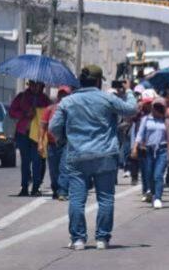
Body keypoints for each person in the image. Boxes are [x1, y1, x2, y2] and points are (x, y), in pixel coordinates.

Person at [49, 65, 138, 250]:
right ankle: (102, 239)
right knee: (105, 198)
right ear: (98, 81)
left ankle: (78, 239)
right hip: (105, 155)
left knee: (77, 199)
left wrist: (63, 139)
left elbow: (53, 127)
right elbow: (131, 109)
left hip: (77, 155)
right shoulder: (107, 98)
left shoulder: (68, 101)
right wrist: (128, 90)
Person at [9, 80, 51, 197]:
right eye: (33, 84)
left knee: (37, 161)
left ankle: (36, 187)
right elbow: (12, 112)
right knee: (25, 162)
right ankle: (24, 187)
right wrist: (25, 113)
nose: (36, 87)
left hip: (38, 135)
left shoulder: (45, 99)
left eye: (39, 85)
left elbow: (50, 114)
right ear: (30, 85)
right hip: (24, 134)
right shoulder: (22, 97)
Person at [132, 97, 169, 209]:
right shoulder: (146, 119)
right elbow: (140, 134)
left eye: (160, 107)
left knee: (158, 175)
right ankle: (151, 192)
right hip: (148, 150)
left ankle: (157, 198)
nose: (157, 110)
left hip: (162, 149)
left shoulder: (168, 121)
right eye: (155, 107)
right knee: (149, 174)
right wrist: (135, 147)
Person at [38, 86, 72, 200]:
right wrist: (40, 143)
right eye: (61, 94)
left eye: (66, 94)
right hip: (52, 144)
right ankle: (56, 189)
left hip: (66, 143)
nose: (63, 97)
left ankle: (62, 191)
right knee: (53, 170)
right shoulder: (50, 109)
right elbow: (42, 126)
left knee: (64, 167)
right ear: (58, 96)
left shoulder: (72, 109)